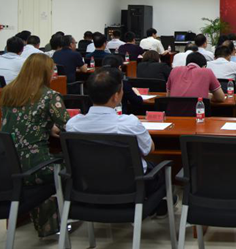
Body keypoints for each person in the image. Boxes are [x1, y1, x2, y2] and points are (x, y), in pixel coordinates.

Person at [66, 68, 170, 216]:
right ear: (116, 96)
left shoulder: (73, 124)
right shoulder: (129, 123)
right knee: (161, 172)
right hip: (131, 186)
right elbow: (149, 149)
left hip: (90, 185)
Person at [0, 53, 69, 237]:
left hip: (7, 164)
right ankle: (56, 222)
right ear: (45, 72)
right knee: (70, 166)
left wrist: (46, 127)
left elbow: (19, 121)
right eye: (52, 70)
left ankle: (43, 221)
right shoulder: (49, 96)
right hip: (36, 165)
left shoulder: (8, 91)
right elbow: (68, 127)